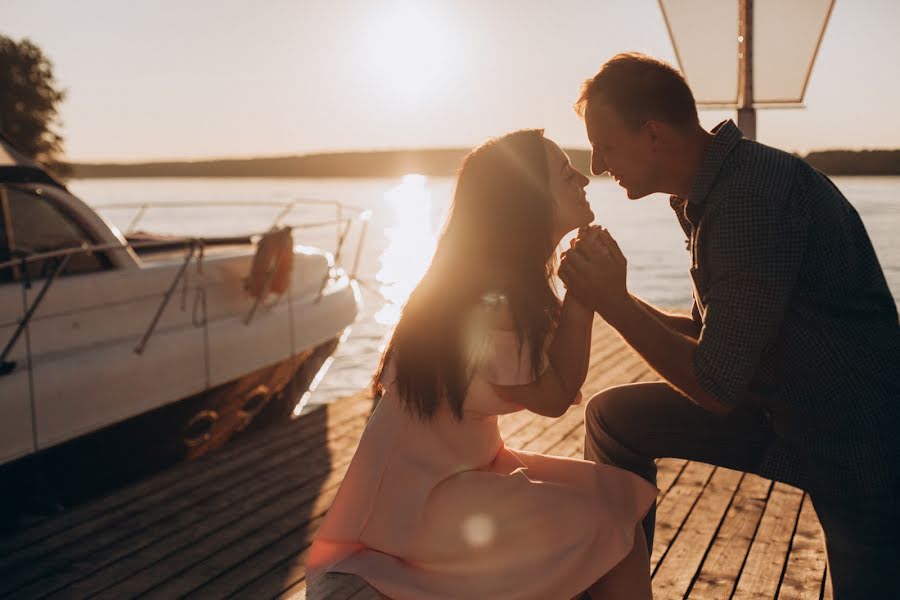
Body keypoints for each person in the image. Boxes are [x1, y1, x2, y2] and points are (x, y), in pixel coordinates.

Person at [559, 52, 900, 597]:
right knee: (614, 419)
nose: (598, 165)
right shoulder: (716, 189)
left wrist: (616, 304)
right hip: (782, 409)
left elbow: (715, 385)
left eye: (605, 146)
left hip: (853, 441)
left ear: (651, 134)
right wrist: (608, 298)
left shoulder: (750, 198)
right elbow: (713, 340)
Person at [307, 129, 657, 600]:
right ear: (527, 201)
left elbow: (553, 378)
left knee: (618, 502)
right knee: (608, 525)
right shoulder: (492, 299)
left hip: (448, 474)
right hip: (422, 501)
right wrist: (583, 296)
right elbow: (554, 396)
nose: (583, 178)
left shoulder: (499, 281)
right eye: (563, 173)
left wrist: (585, 291)